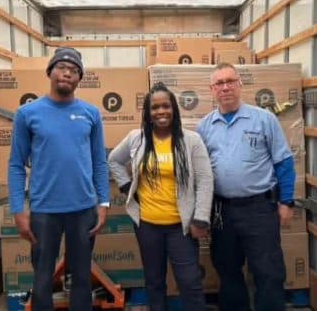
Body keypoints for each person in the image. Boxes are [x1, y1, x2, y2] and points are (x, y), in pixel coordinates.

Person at [8, 47, 110, 311]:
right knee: (42, 281)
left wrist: (103, 203)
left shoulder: (91, 113)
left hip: (83, 211)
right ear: (50, 71)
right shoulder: (27, 114)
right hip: (44, 213)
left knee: (81, 280)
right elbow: (16, 165)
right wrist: (18, 209)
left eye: (75, 70)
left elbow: (99, 161)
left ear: (80, 78)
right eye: (62, 67)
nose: (68, 73)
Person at [197, 63, 296, 311]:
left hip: (259, 209)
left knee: (269, 272)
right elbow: (200, 173)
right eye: (219, 83)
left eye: (231, 81)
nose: (226, 87)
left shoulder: (264, 119)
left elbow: (283, 161)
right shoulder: (205, 127)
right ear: (212, 89)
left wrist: (287, 201)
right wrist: (202, 215)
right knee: (228, 272)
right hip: (222, 212)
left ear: (240, 84)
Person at [108, 82, 213, 311]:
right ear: (148, 112)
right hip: (147, 226)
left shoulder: (191, 140)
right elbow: (114, 160)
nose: (161, 111)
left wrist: (201, 218)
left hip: (181, 227)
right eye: (155, 107)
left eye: (166, 106)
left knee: (190, 283)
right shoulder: (136, 138)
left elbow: (205, 179)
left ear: (174, 108)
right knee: (154, 282)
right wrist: (127, 187)